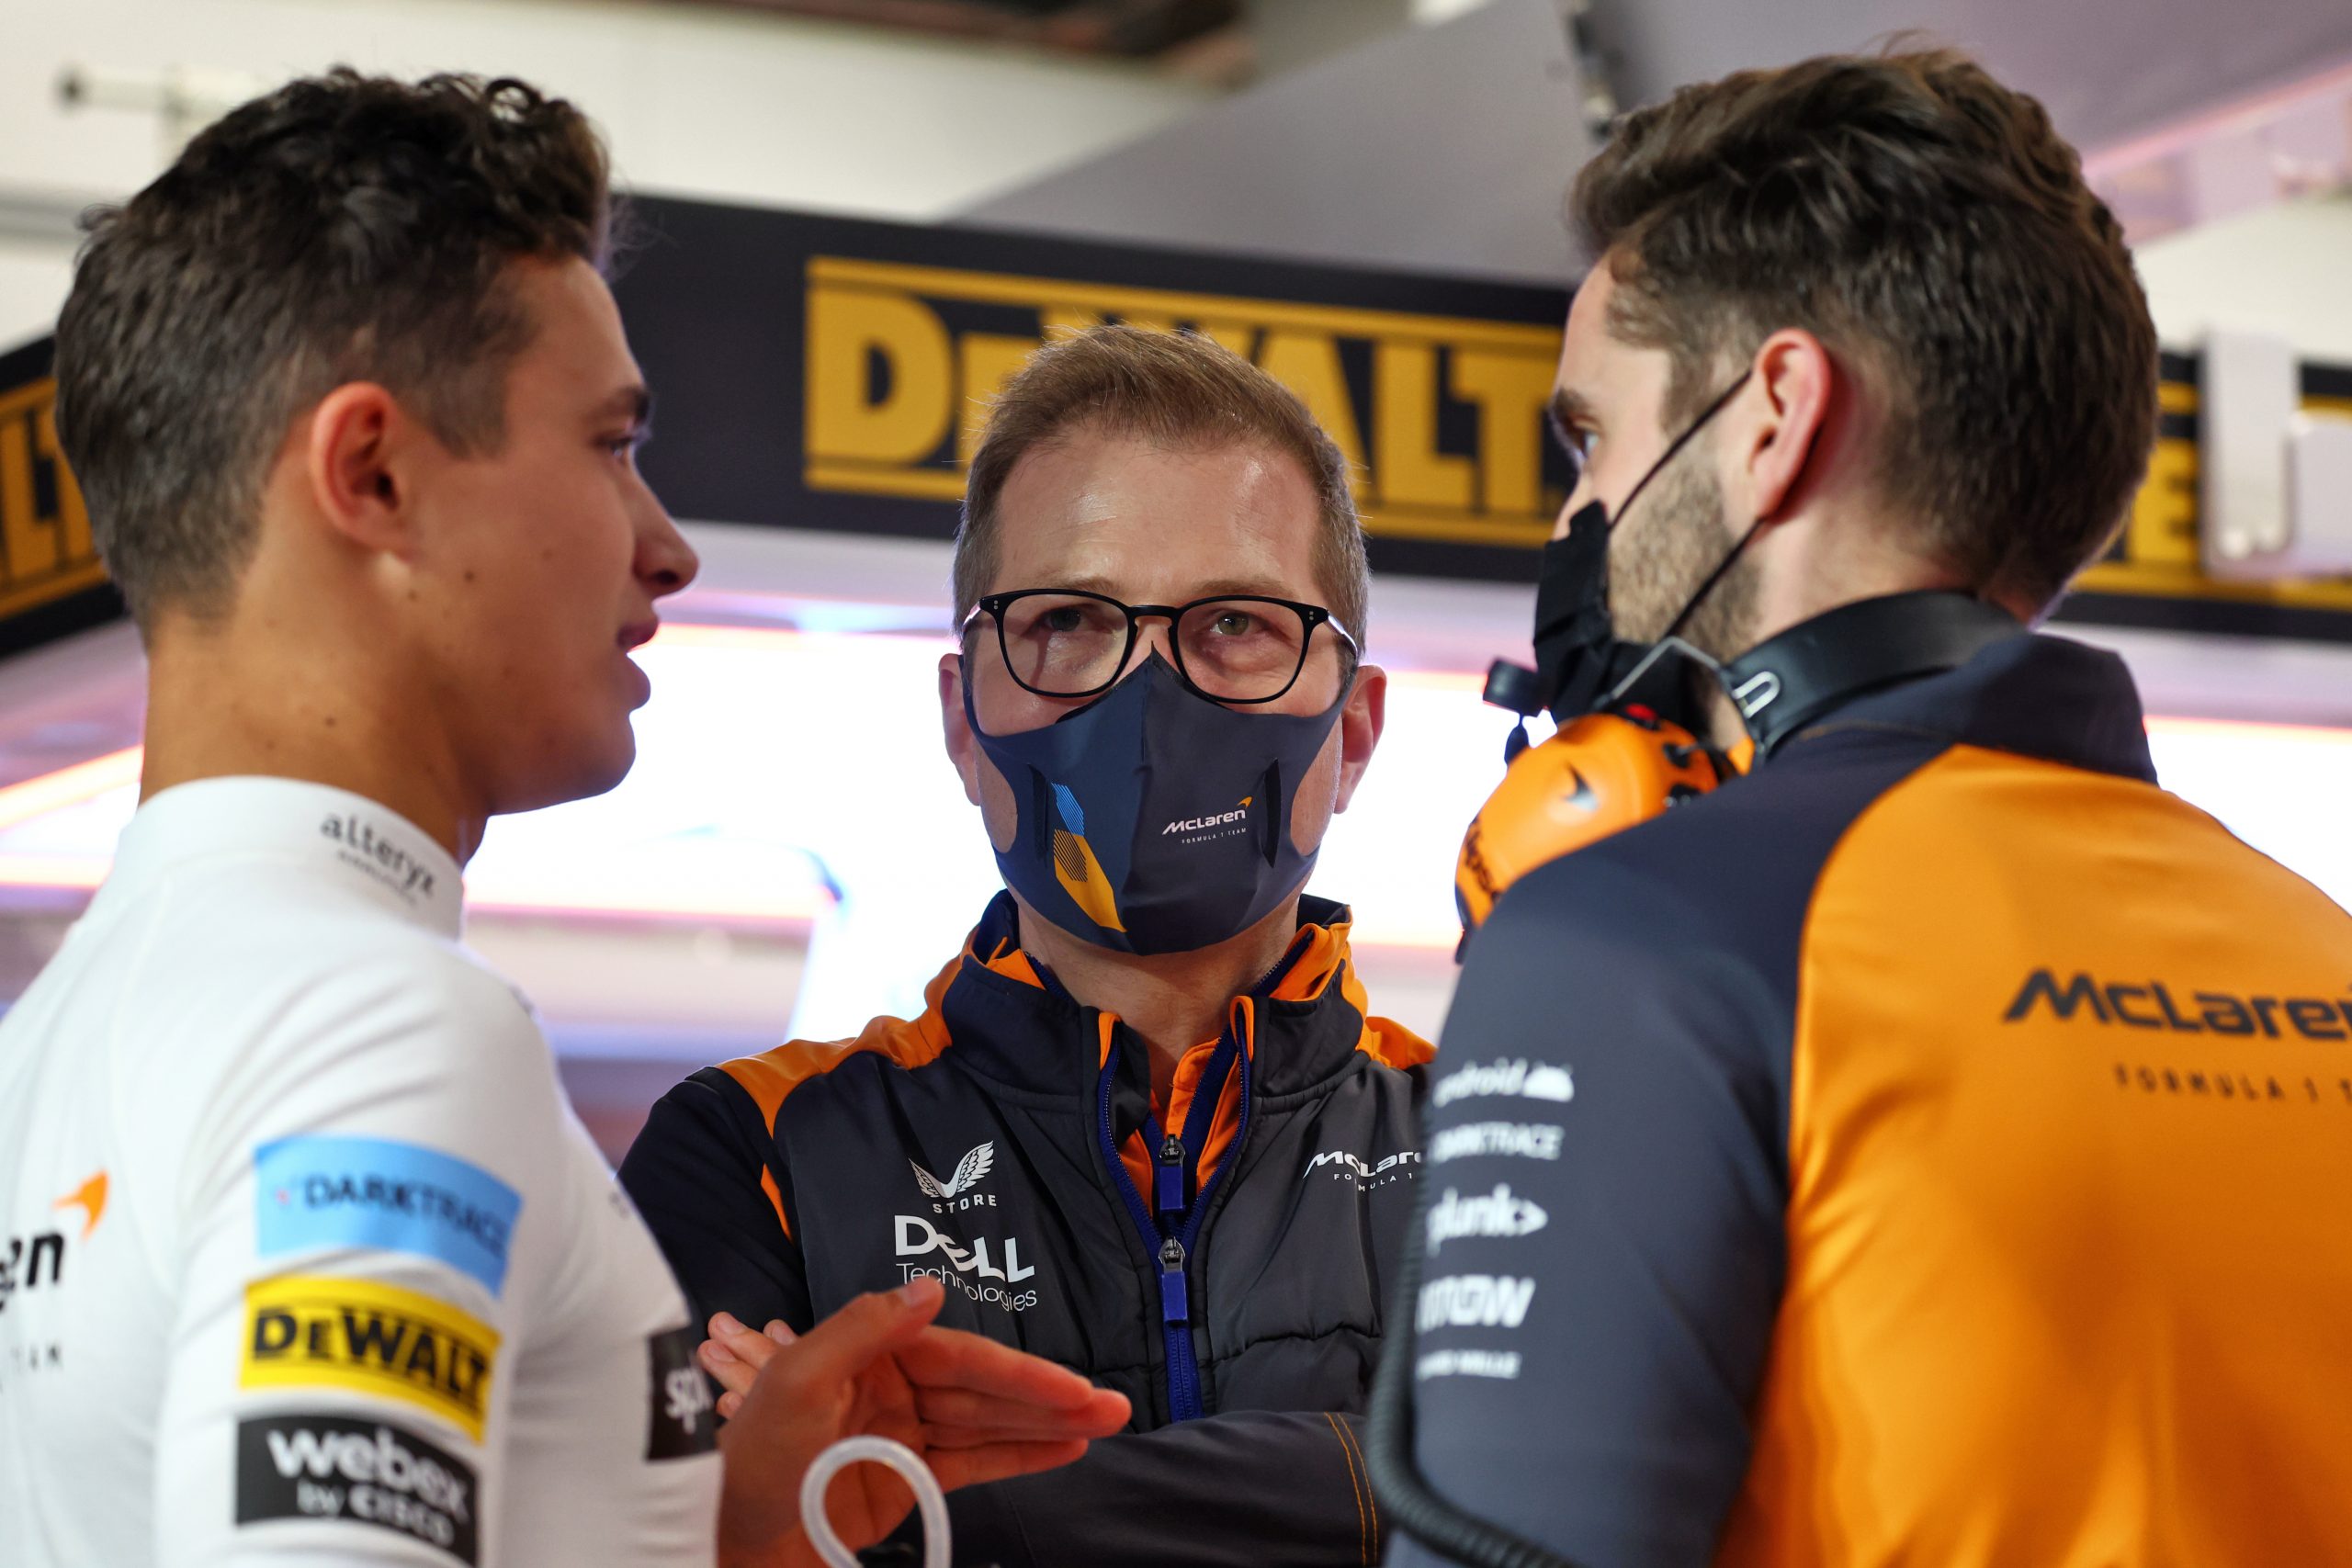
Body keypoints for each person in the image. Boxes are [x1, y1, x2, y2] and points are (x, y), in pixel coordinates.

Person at [0, 70, 1125, 1568]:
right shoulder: (377, 1030)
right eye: (611, 444)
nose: (667, 547)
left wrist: (710, 1531)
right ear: (374, 473)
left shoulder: (49, 1048)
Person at [1380, 47, 2352, 1568]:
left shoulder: (1634, 942)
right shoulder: (2319, 948)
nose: (1577, 517)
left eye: (1593, 438)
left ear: (1772, 417)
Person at [623, 324, 1434, 1565]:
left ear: (1357, 730)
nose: (1148, 698)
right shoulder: (751, 1151)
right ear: (962, 719)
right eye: (1066, 621)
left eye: (1233, 625)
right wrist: (1395, 1479)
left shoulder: (1503, 1156)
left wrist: (923, 1514)